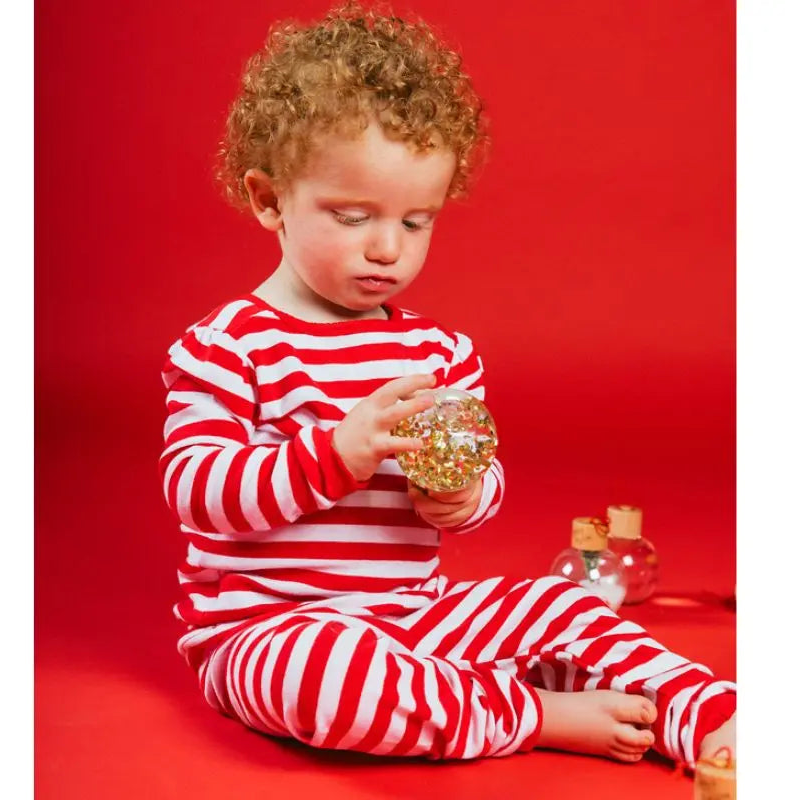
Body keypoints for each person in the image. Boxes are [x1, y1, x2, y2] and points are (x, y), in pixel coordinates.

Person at [160, 2, 735, 766]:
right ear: (271, 201)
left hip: (416, 615)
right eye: (352, 215)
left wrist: (464, 498)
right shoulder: (227, 346)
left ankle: (705, 719)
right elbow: (197, 489)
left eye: (415, 221)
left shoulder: (439, 352)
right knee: (329, 681)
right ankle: (529, 712)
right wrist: (331, 454)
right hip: (273, 630)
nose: (385, 249)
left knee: (563, 602)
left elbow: (479, 480)